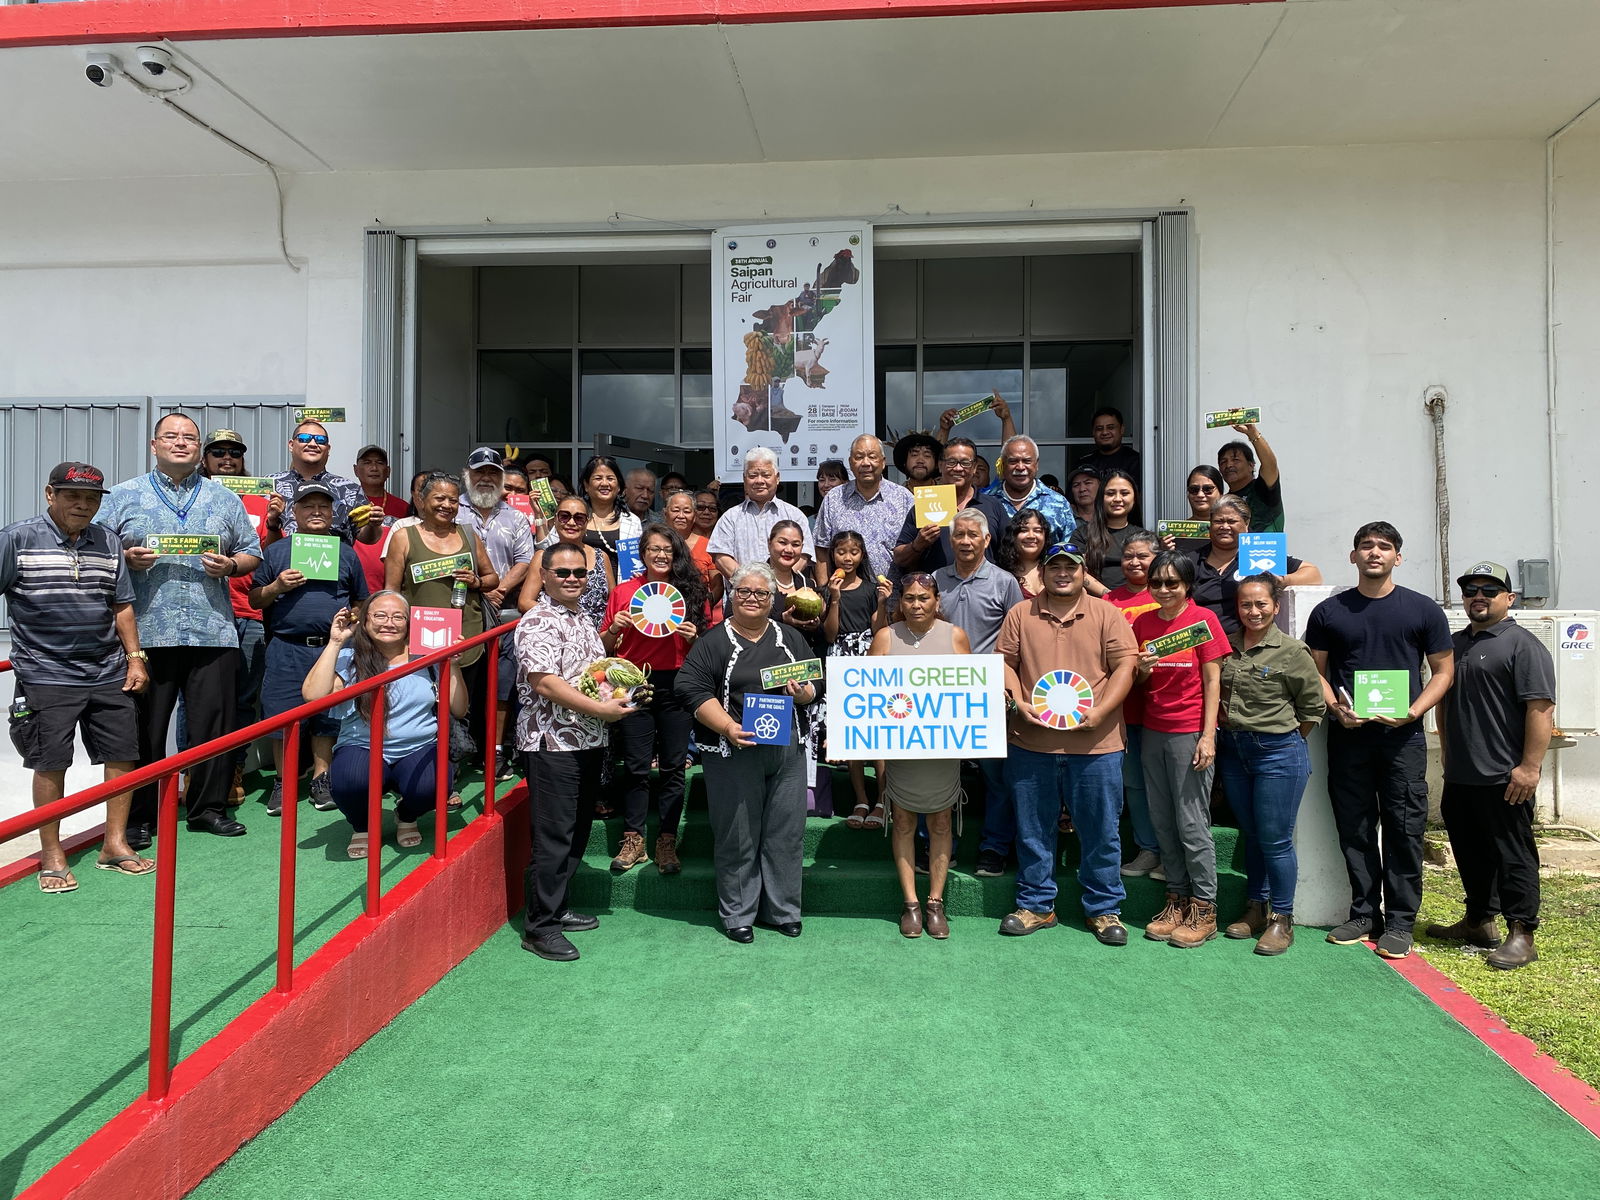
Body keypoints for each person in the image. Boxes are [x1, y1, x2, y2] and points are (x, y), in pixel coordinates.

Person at [98, 414, 263, 845]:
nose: (181, 443)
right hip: (146, 632)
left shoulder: (223, 498)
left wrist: (231, 565)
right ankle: (138, 816)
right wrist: (125, 559)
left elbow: (251, 552)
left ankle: (207, 808)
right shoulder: (122, 496)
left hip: (212, 630)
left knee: (214, 725)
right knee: (144, 729)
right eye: (171, 436)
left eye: (189, 437)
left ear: (198, 448)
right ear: (154, 445)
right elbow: (97, 550)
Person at [1306, 521, 1454, 960]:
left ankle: (1402, 921)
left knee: (1405, 827)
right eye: (1366, 546)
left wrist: (1414, 711)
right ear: (1353, 556)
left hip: (1402, 738)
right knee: (1354, 827)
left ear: (1398, 557)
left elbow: (1444, 671)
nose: (1375, 552)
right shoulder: (1330, 612)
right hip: (1349, 736)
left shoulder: (1423, 610)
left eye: (1384, 547)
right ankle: (1364, 913)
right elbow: (1315, 671)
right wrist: (1336, 709)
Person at [0, 462, 152, 890]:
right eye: (72, 496)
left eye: (91, 498)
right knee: (51, 763)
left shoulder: (107, 540)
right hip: (45, 673)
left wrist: (135, 659)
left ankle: (115, 843)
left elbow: (122, 605)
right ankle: (51, 852)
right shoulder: (16, 539)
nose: (82, 505)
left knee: (122, 756)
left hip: (108, 670)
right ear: (51, 494)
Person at [996, 541, 1138, 945]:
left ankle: (1104, 908)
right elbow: (1005, 662)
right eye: (1054, 566)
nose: (1063, 574)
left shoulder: (1107, 613)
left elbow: (1126, 665)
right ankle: (1037, 905)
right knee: (1032, 829)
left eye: (1071, 567)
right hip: (1032, 741)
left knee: (1101, 831)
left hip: (1096, 744)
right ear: (1041, 571)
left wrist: (1101, 711)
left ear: (1083, 571)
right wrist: (1017, 702)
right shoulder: (1021, 613)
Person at [677, 562, 819, 942]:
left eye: (761, 593)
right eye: (744, 592)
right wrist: (726, 726)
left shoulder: (790, 637)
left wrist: (803, 693)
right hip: (731, 749)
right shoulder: (713, 641)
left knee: (787, 832)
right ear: (732, 596)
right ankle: (739, 912)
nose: (753, 599)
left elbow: (812, 687)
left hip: (787, 749)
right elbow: (690, 689)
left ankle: (783, 909)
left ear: (773, 600)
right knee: (737, 834)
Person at [1428, 562, 1554, 970]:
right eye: (1470, 590)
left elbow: (1540, 708)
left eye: (1489, 590)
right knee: (1469, 849)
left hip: (1505, 775)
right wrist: (1447, 749)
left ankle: (1523, 933)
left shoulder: (1522, 645)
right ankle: (1479, 921)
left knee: (1513, 853)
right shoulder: (1453, 644)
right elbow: (1444, 702)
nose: (1478, 596)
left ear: (1509, 598)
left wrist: (1530, 767)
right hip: (1462, 773)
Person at [514, 544, 637, 961]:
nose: (571, 579)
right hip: (552, 743)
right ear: (544, 576)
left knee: (576, 830)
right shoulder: (538, 621)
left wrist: (610, 644)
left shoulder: (581, 617)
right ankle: (540, 926)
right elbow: (545, 682)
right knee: (554, 836)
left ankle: (558, 906)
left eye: (579, 573)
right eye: (562, 573)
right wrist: (602, 709)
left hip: (586, 740)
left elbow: (586, 669)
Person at [302, 595, 467, 860]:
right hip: (362, 746)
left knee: (435, 783)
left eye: (398, 616)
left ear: (409, 622)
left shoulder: (429, 655)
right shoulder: (350, 657)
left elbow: (458, 708)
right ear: (365, 621)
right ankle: (363, 824)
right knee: (350, 781)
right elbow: (313, 695)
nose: (388, 623)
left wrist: (454, 665)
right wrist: (335, 642)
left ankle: (406, 813)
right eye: (379, 615)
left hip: (418, 746)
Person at [1215, 574, 1326, 955]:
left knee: (1276, 839)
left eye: (1262, 603)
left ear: (1276, 607)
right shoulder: (1226, 647)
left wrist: (1282, 743)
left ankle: (1282, 918)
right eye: (1246, 604)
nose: (1254, 611)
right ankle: (1255, 907)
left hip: (1278, 752)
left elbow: (1312, 709)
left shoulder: (1293, 652)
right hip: (1233, 749)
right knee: (1251, 832)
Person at [249, 481, 370, 817]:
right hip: (287, 646)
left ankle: (322, 778)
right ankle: (284, 781)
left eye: (323, 507)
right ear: (294, 513)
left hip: (332, 647)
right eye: (308, 507)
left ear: (333, 513)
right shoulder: (276, 552)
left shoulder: (346, 552)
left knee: (328, 716)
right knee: (280, 716)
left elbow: (360, 598)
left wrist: (353, 617)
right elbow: (254, 598)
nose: (316, 512)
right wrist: (277, 585)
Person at [1132, 552, 1231, 947]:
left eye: (1172, 583)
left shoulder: (1203, 620)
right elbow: (1140, 680)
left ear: (1187, 585)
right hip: (1152, 730)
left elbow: (1213, 680)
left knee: (1192, 822)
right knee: (1162, 818)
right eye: (1157, 583)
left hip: (1190, 731)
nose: (1164, 590)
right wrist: (1142, 668)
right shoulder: (1144, 622)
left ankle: (1204, 907)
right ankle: (1175, 899)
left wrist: (1209, 735)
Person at [598, 524, 709, 875]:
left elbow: (706, 651)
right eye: (653, 549)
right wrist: (615, 627)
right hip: (635, 683)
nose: (661, 555)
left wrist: (693, 637)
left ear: (677, 555)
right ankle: (633, 839)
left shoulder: (690, 592)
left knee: (674, 766)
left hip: (677, 684)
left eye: (668, 550)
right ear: (642, 553)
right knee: (635, 765)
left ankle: (666, 840)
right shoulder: (624, 592)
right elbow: (603, 647)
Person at [870, 573, 970, 939]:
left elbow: (968, 691)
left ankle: (935, 902)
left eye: (923, 598)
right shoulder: (885, 636)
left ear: (937, 601)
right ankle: (911, 903)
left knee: (942, 821)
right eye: (909, 598)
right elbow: (870, 696)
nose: (916, 604)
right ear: (900, 602)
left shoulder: (954, 635)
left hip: (943, 745)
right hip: (902, 745)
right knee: (904, 822)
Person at [933, 510, 1022, 878]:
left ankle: (994, 848)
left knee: (995, 778)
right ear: (950, 541)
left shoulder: (1004, 582)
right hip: (939, 692)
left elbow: (1019, 639)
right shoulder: (936, 579)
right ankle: (938, 848)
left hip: (988, 694)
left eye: (973, 535)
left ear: (986, 540)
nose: (966, 541)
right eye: (959, 535)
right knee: (938, 775)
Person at [457, 447, 537, 778]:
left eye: (493, 473)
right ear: (468, 475)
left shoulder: (515, 516)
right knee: (464, 683)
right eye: (480, 472)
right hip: (461, 611)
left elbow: (525, 559)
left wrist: (499, 589)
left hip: (506, 611)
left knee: (503, 685)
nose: (486, 478)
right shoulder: (454, 512)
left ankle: (496, 750)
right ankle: (459, 750)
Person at [199, 429, 267, 804]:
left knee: (243, 699)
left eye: (235, 453)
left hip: (249, 612)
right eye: (218, 452)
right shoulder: (193, 495)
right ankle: (196, 776)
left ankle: (233, 771)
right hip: (206, 613)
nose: (227, 459)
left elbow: (267, 553)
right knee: (198, 702)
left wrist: (272, 524)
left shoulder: (260, 498)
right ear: (205, 459)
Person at [822, 529, 892, 829]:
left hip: (869, 659)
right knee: (851, 733)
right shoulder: (827, 589)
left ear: (862, 555)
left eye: (853, 552)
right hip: (840, 660)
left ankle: (882, 799)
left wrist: (881, 604)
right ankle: (860, 799)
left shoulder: (870, 588)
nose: (847, 558)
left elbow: (881, 632)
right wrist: (834, 599)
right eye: (841, 552)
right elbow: (829, 634)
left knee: (875, 733)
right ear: (832, 555)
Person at [1104, 531, 1162, 879]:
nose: (1135, 562)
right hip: (1120, 710)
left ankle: (1168, 851)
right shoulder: (1109, 600)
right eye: (1128, 556)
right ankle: (1148, 849)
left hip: (1160, 706)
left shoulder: (1167, 597)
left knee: (1162, 784)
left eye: (1142, 555)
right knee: (1134, 785)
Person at [1191, 497, 1321, 640]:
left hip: (1247, 647)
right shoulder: (1192, 560)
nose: (1225, 527)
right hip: (1200, 643)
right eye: (1218, 521)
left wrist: (1283, 580)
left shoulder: (1257, 553)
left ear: (1246, 525)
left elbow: (1314, 574)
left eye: (1232, 521)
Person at [891, 437, 1007, 576]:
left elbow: (1010, 553)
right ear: (940, 466)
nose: (958, 468)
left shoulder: (993, 506)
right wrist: (917, 544)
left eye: (965, 463)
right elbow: (899, 558)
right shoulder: (925, 506)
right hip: (938, 593)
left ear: (974, 467)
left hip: (985, 594)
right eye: (951, 462)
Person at [812, 435, 913, 586]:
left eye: (872, 457)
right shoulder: (834, 498)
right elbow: (821, 548)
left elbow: (916, 549)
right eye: (859, 457)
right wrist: (824, 592)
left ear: (883, 462)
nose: (866, 463)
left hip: (894, 599)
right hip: (845, 600)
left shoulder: (904, 498)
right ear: (850, 463)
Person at [265, 420, 380, 547]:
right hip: (281, 564)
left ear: (328, 448)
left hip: (335, 564)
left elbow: (368, 538)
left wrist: (373, 524)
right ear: (291, 445)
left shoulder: (349, 489)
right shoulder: (269, 485)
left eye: (320, 440)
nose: (313, 444)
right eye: (304, 438)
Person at [707, 447, 815, 578]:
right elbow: (721, 558)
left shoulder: (795, 516)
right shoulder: (730, 517)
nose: (759, 481)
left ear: (777, 478)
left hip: (784, 595)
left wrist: (779, 584)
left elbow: (804, 555)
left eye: (766, 475)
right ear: (744, 478)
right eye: (753, 475)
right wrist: (751, 585)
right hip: (743, 595)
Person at [517, 495, 615, 629]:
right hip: (556, 632)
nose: (571, 523)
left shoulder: (601, 557)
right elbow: (525, 602)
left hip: (596, 638)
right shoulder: (543, 557)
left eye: (579, 518)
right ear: (556, 519)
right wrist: (566, 618)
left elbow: (613, 600)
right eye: (564, 516)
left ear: (587, 522)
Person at [986, 436, 1076, 543]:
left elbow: (1070, 551)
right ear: (1003, 464)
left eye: (1027, 461)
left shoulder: (1059, 504)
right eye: (1013, 461)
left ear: (1036, 464)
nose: (1020, 467)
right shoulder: (986, 501)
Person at [1073, 468, 1141, 593]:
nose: (1117, 499)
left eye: (1124, 493)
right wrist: (1110, 598)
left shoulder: (1143, 536)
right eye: (1110, 494)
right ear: (1101, 498)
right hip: (1096, 606)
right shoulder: (1082, 534)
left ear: (1135, 498)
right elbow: (1076, 570)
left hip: (1136, 606)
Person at [572, 456, 641, 575]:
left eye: (610, 478)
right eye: (598, 478)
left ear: (619, 486)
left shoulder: (632, 521)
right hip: (577, 587)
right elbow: (550, 547)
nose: (604, 483)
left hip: (618, 589)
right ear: (586, 485)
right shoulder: (573, 516)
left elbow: (637, 561)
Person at [663, 488, 723, 614]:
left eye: (686, 511)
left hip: (698, 613)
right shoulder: (655, 542)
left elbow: (717, 585)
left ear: (694, 516)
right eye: (675, 510)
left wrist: (705, 605)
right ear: (665, 513)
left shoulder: (708, 545)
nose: (681, 516)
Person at [1218, 422, 1283, 532]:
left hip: (1266, 548)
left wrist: (1252, 433)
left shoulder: (1263, 489)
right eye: (1223, 462)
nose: (1229, 465)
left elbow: (1270, 464)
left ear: (1251, 465)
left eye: (1235, 460)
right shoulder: (1224, 501)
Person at [1073, 407, 1142, 480]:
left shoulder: (1135, 461)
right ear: (1093, 432)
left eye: (1110, 428)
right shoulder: (1084, 463)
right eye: (1099, 429)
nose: (1105, 432)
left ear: (1122, 430)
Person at [995, 509, 1049, 600]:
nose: (1031, 536)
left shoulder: (1054, 568)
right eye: (1024, 530)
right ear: (1013, 536)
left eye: (1037, 530)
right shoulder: (999, 573)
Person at [353, 444, 410, 521]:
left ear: (388, 471)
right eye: (367, 462)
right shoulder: (345, 505)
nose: (374, 468)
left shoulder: (404, 508)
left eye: (379, 463)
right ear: (356, 470)